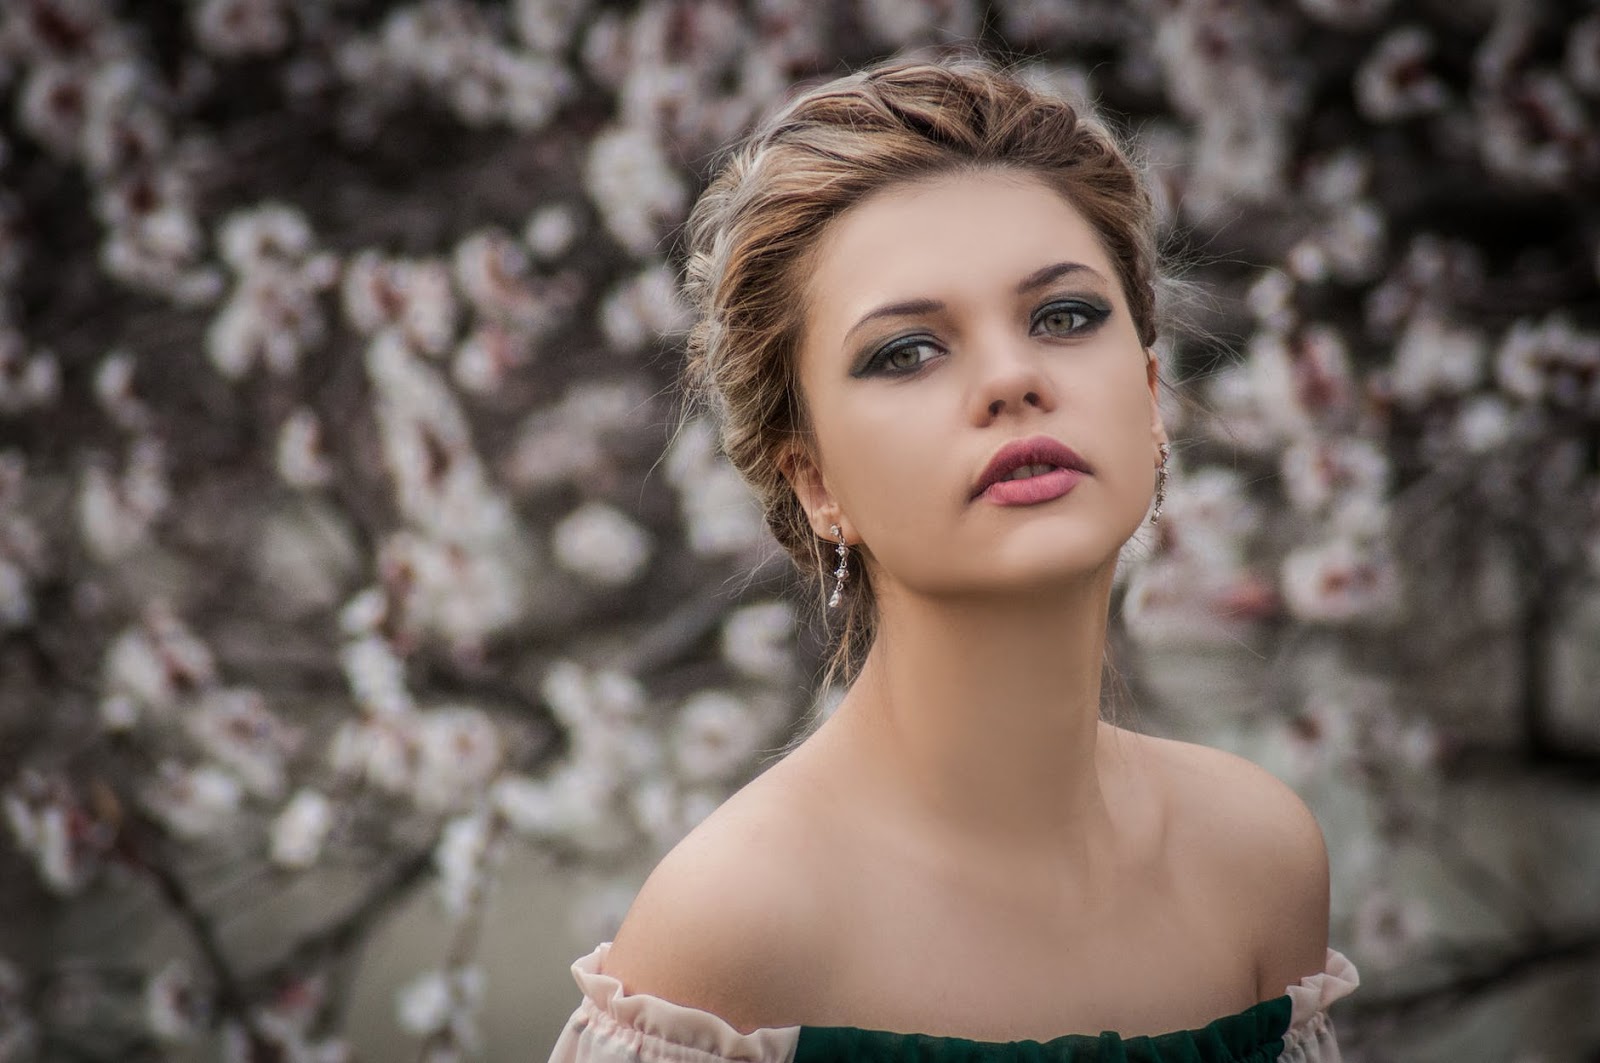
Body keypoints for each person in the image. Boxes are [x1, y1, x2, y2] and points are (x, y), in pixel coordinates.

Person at [549, 49, 1359, 1063]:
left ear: (1150, 396)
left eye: (1063, 316)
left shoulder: (1258, 857)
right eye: (907, 351)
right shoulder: (734, 929)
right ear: (816, 483)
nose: (1012, 377)